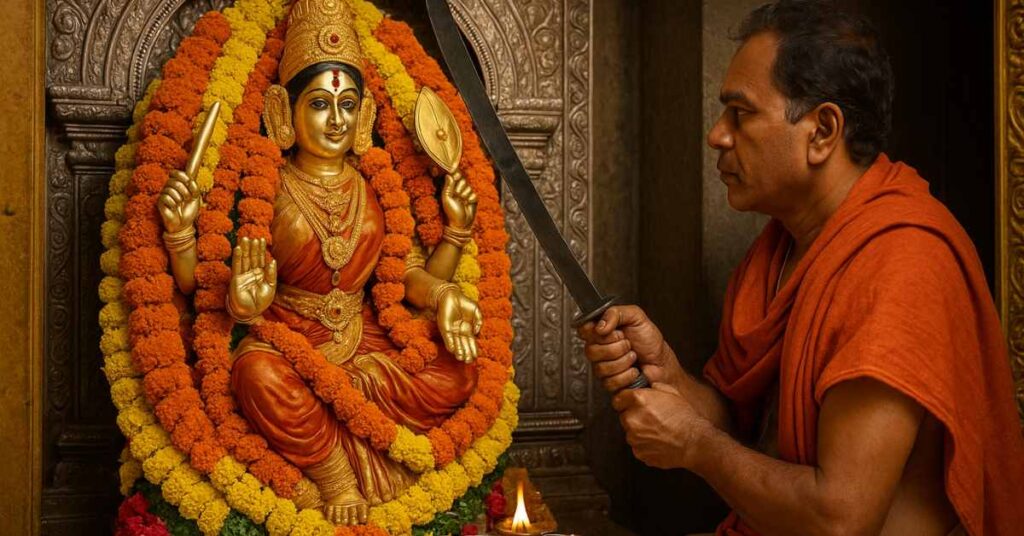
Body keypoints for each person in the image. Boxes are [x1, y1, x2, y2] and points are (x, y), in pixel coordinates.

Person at [577, 1, 1024, 534]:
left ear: (822, 130)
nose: (717, 135)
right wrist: (667, 374)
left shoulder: (901, 262)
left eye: (740, 113)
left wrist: (693, 444)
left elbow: (840, 518)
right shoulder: (782, 250)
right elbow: (758, 444)